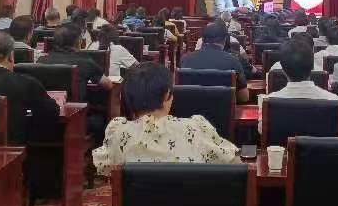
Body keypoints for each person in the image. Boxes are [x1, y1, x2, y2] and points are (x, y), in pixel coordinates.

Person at [92, 62, 240, 175]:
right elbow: (234, 164)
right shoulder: (196, 128)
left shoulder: (117, 131)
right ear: (167, 95)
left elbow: (106, 169)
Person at [261, 37, 338, 131]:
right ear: (312, 67)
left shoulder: (268, 102)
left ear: (283, 71)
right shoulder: (333, 101)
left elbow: (262, 130)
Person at [37, 25, 113, 103]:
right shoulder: (85, 62)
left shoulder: (41, 60)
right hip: (76, 109)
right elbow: (108, 85)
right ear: (77, 41)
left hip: (46, 108)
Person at [180, 21, 249, 104]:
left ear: (202, 39)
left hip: (189, 110)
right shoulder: (233, 61)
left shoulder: (185, 59)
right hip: (223, 110)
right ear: (225, 39)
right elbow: (244, 97)